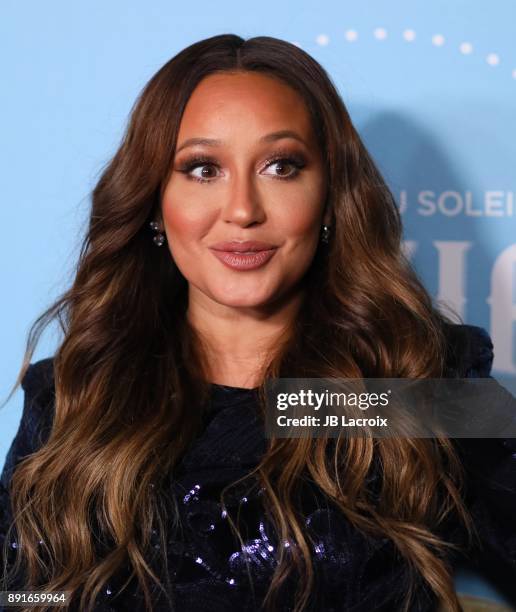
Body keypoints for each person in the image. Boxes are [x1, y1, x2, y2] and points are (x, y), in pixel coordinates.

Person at [0, 33, 515, 612]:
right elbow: (23, 595)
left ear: (330, 197)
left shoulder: (408, 386)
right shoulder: (82, 393)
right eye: (202, 169)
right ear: (153, 205)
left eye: (281, 165)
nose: (243, 210)